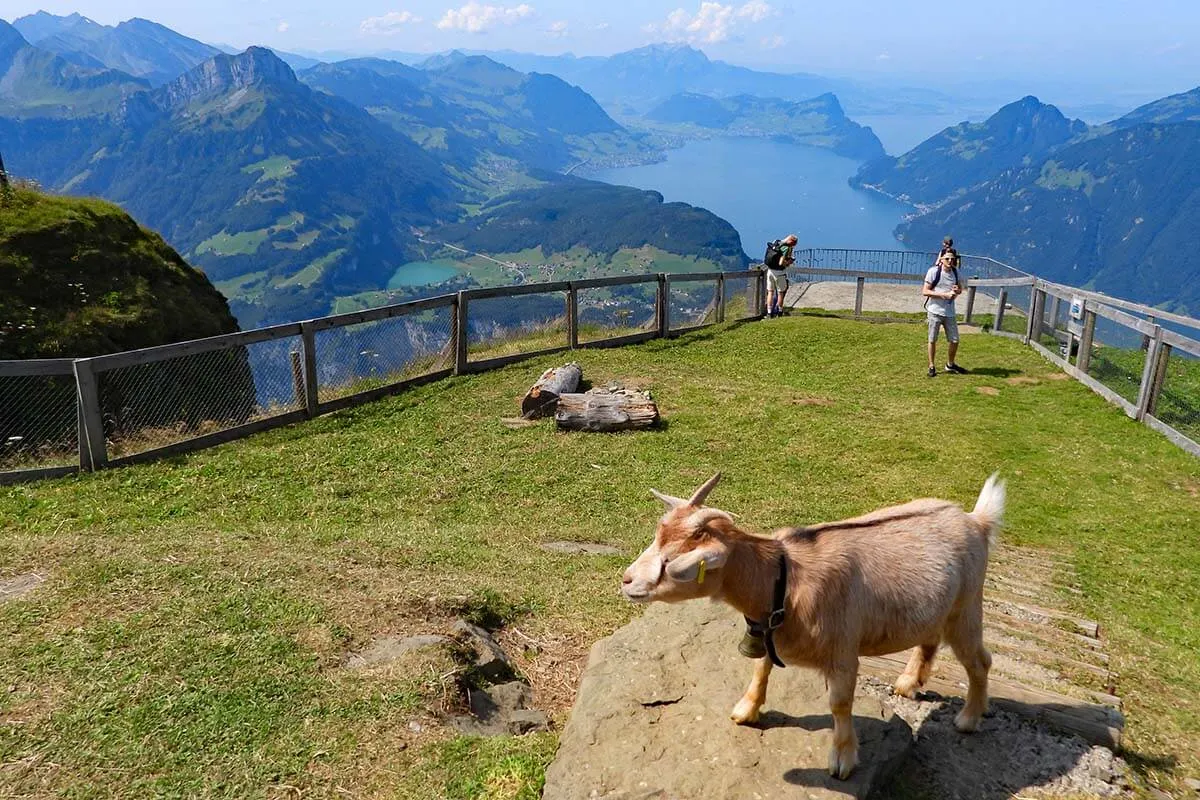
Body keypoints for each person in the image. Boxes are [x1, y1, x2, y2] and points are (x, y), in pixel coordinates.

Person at [923, 247, 968, 377]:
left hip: (949, 312)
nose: (950, 261)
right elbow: (925, 291)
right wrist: (944, 295)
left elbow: (960, 288)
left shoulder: (955, 272)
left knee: (954, 340)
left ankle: (950, 364)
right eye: (947, 258)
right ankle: (931, 365)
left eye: (952, 259)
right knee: (932, 339)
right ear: (941, 259)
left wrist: (957, 290)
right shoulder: (933, 272)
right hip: (935, 311)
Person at [765, 234, 797, 317]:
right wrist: (788, 263)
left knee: (770, 292)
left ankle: (769, 312)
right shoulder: (786, 248)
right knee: (780, 293)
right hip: (779, 273)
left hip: (770, 271)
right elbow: (780, 262)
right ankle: (779, 311)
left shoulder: (776, 242)